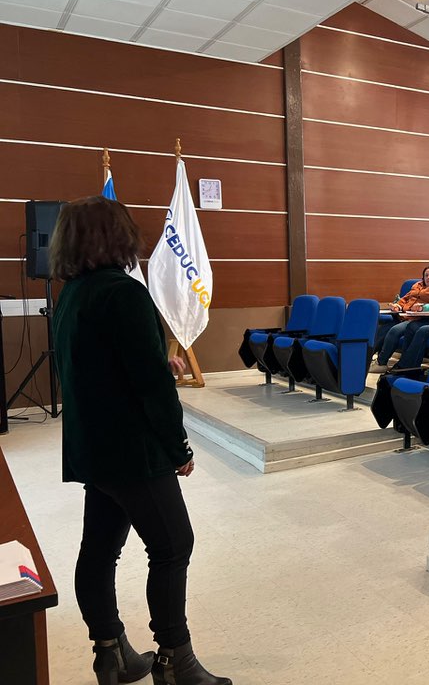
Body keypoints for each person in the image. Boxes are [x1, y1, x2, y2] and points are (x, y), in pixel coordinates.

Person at [49, 196, 230, 685]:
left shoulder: (73, 293)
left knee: (99, 549)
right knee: (173, 546)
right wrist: (179, 447)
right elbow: (151, 389)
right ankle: (175, 662)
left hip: (93, 448)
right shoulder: (125, 293)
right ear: (119, 236)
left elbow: (100, 365)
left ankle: (110, 654)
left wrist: (156, 360)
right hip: (132, 451)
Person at [371, 265, 429, 371]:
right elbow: (405, 298)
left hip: (421, 319)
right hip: (405, 315)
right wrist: (398, 306)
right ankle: (368, 357)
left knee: (395, 330)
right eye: (426, 275)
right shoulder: (418, 285)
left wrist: (422, 308)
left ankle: (381, 363)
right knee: (383, 328)